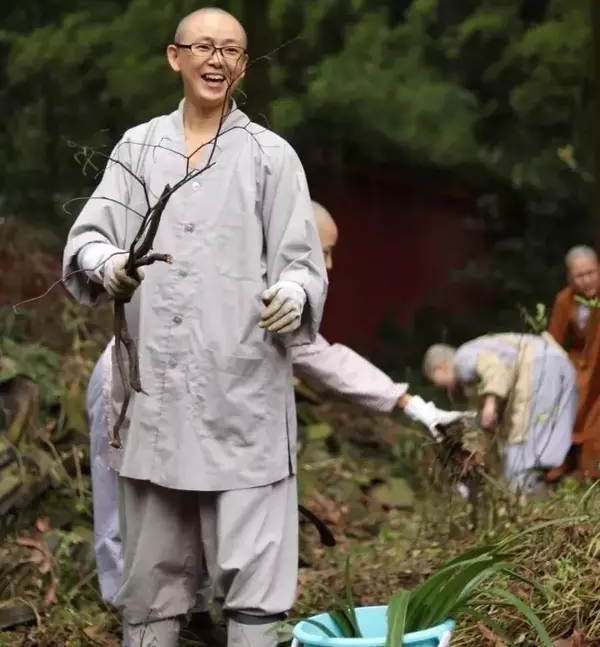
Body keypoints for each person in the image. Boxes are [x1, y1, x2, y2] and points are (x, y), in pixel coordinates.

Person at [86, 200, 472, 643]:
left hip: (193, 405)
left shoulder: (280, 290)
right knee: (126, 501)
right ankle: (131, 614)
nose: (329, 263)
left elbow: (324, 358)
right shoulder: (235, 269)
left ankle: (191, 614)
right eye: (325, 250)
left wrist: (412, 405)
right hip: (133, 382)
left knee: (193, 500)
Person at [63, 7, 329, 647]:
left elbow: (303, 260)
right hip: (153, 389)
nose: (218, 60)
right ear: (175, 56)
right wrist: (111, 264)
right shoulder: (139, 146)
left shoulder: (270, 155)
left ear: (243, 65)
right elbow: (91, 237)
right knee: (151, 575)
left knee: (253, 573)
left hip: (241, 390)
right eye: (204, 47)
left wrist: (294, 291)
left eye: (233, 51)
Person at [422, 331, 578, 498]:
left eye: (434, 379)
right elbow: (485, 421)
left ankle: (532, 505)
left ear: (440, 367)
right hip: (560, 365)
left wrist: (491, 404)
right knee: (542, 446)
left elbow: (495, 368)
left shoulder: (462, 359)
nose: (439, 387)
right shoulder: (472, 377)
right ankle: (550, 496)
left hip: (538, 368)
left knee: (520, 455)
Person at [547, 245, 600, 480]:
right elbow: (554, 340)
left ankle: (590, 470)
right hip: (581, 362)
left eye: (592, 272)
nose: (588, 280)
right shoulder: (565, 300)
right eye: (581, 275)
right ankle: (564, 461)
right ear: (570, 278)